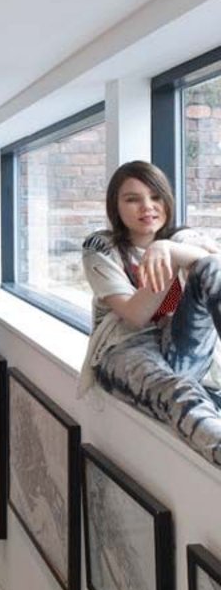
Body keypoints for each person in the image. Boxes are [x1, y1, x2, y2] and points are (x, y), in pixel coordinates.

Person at [79, 160, 221, 467]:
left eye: (155, 197)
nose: (147, 207)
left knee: (212, 269)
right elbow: (135, 314)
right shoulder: (100, 248)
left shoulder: (181, 238)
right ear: (115, 206)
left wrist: (167, 248)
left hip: (178, 345)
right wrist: (167, 262)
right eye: (132, 199)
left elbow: (214, 267)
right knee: (178, 392)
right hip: (125, 348)